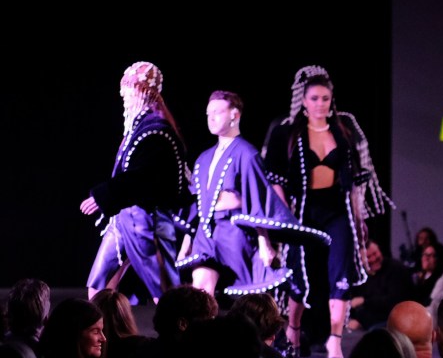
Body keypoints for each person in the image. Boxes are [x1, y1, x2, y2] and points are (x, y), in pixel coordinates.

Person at [264, 67, 393, 358]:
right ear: (303, 100)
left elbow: (357, 179)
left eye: (325, 98)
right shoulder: (287, 131)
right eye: (314, 98)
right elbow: (275, 178)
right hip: (302, 211)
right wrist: (285, 216)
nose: (320, 104)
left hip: (338, 210)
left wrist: (359, 217)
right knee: (299, 273)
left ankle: (335, 338)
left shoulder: (344, 127)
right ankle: (293, 329)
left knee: (341, 272)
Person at [176, 90, 328, 300]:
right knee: (200, 291)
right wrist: (187, 243)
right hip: (205, 234)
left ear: (234, 114)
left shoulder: (247, 153)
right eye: (208, 113)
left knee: (245, 298)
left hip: (233, 232)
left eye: (218, 112)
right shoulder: (203, 158)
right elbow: (196, 205)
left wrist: (264, 242)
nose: (211, 118)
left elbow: (257, 200)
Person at [82, 61, 189, 303]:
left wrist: (105, 195)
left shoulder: (157, 131)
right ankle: (106, 328)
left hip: (146, 220)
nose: (124, 96)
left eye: (129, 90)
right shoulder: (139, 128)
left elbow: (142, 177)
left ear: (143, 92)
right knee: (98, 287)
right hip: (123, 218)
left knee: (165, 293)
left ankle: (180, 328)